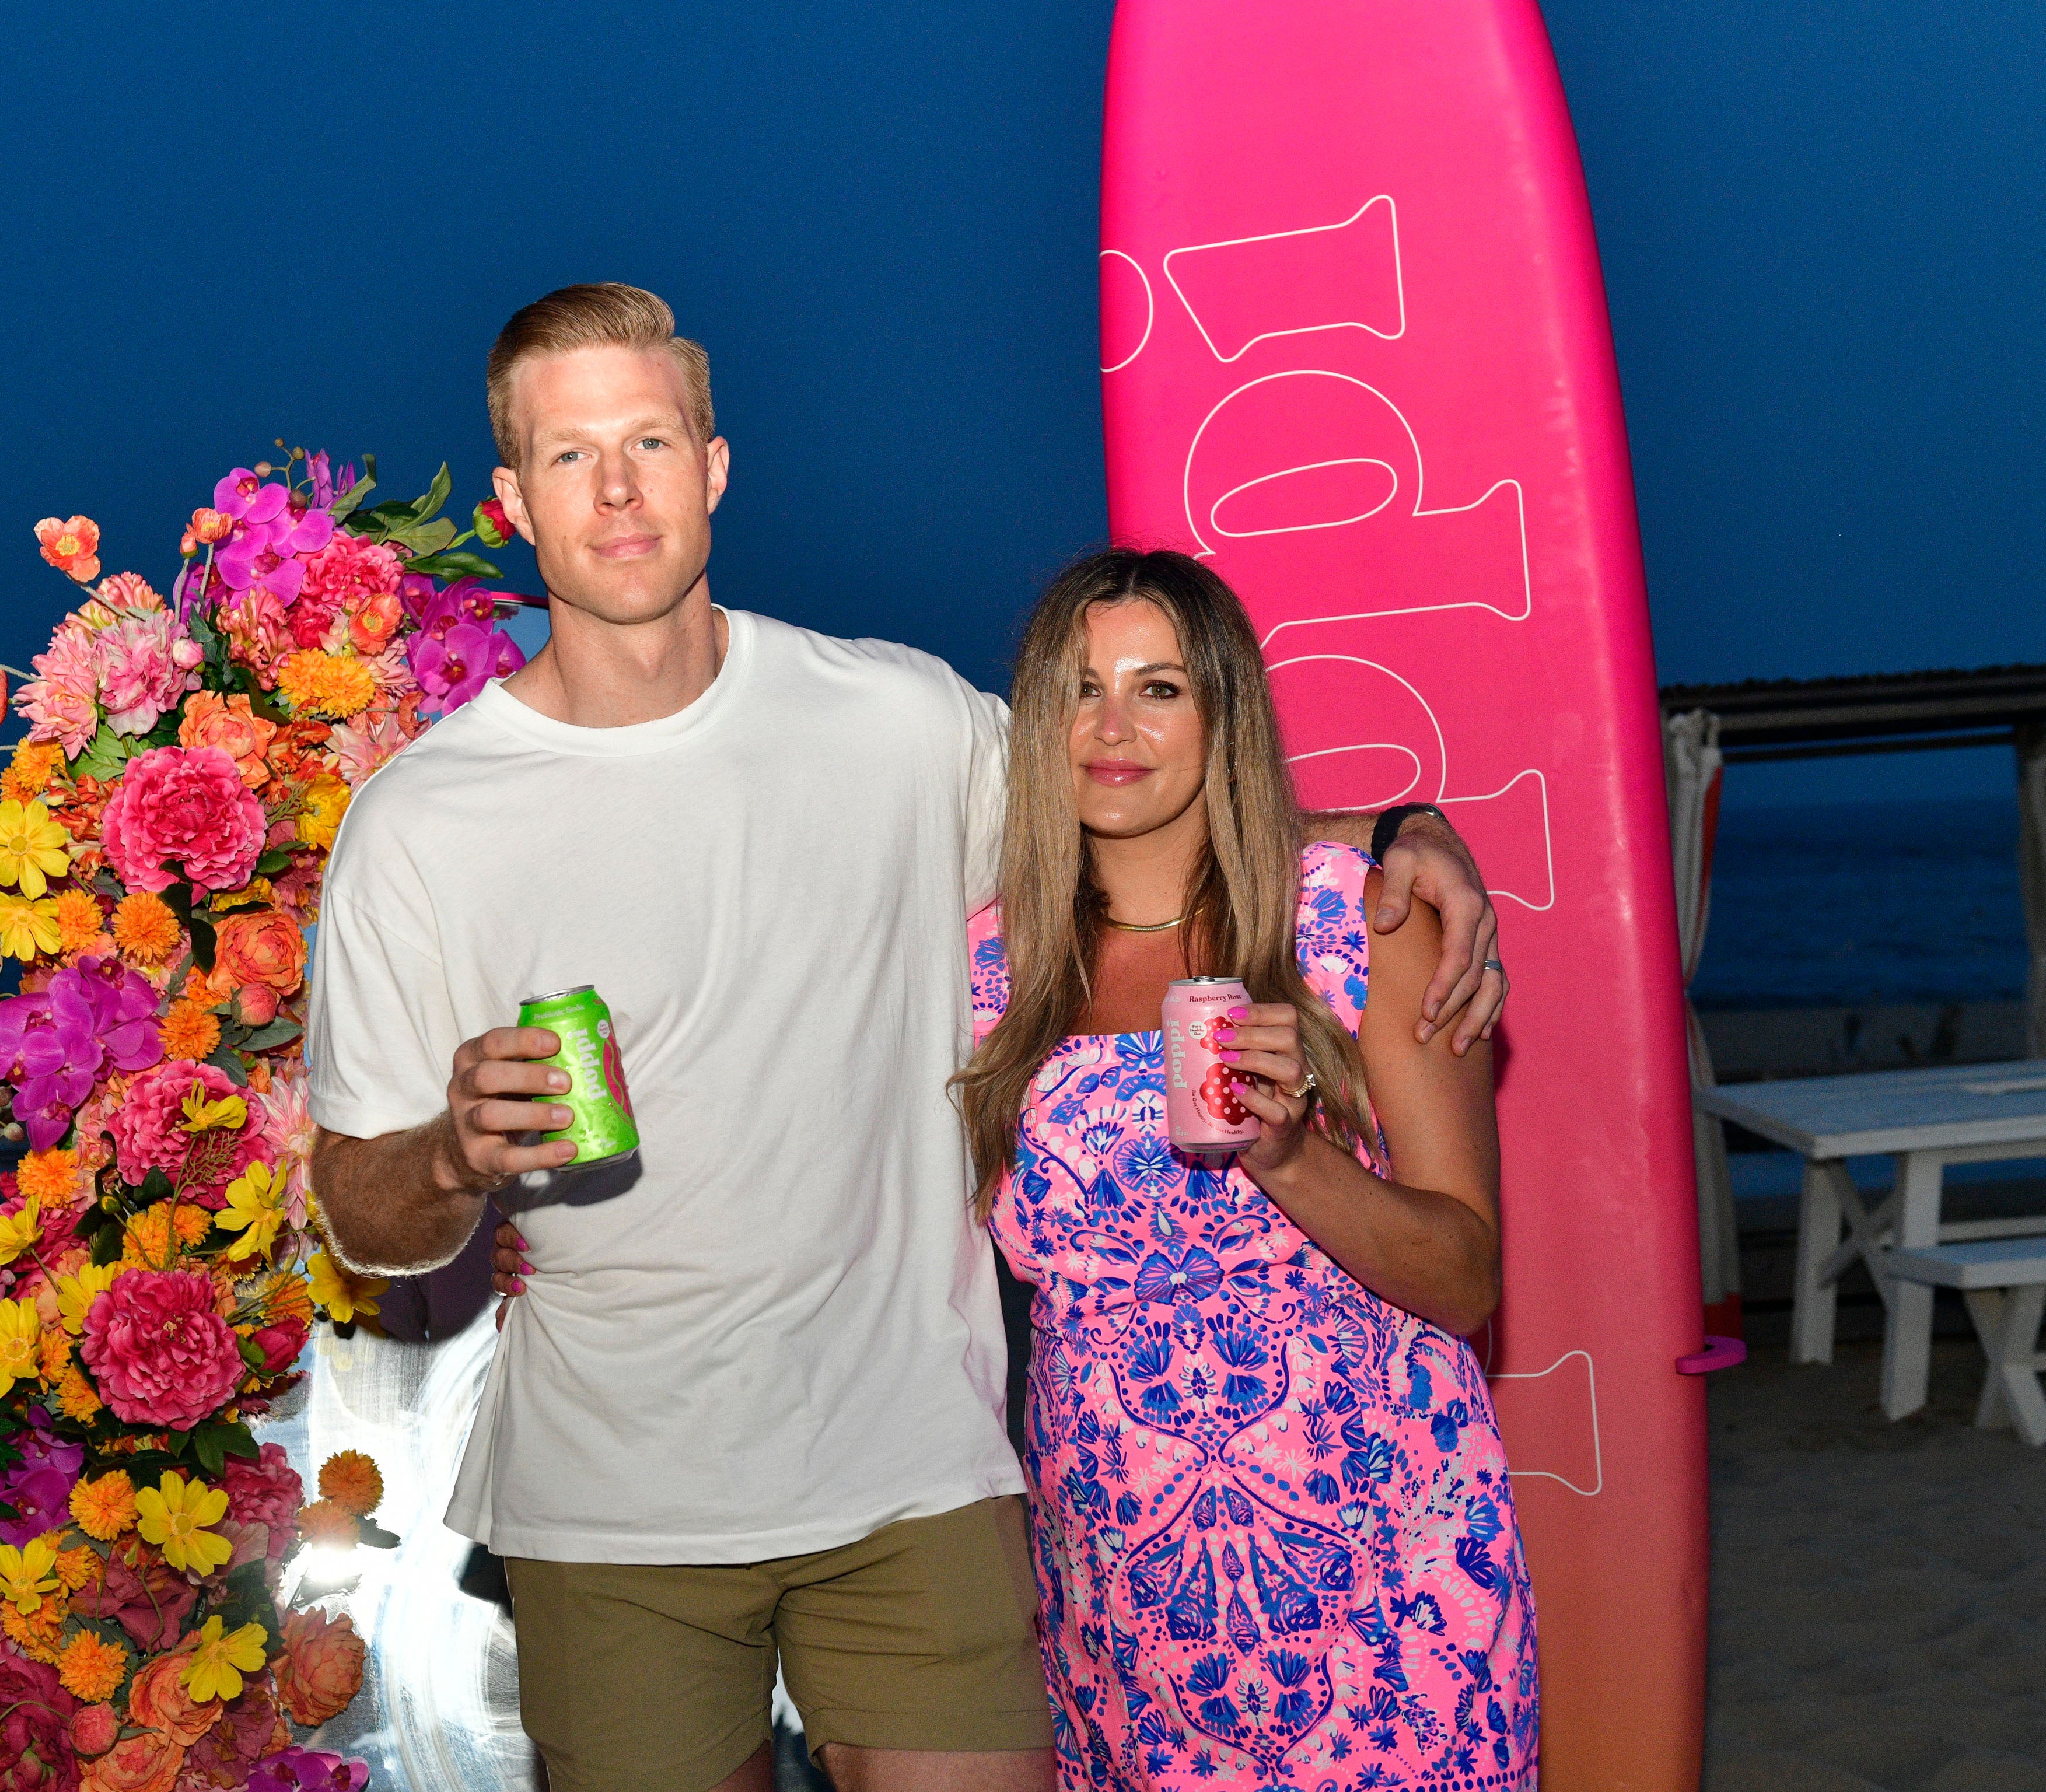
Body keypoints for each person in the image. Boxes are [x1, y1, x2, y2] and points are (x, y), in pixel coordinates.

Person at [312, 283, 1509, 1792]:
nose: (617, 492)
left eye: (651, 442)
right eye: (569, 457)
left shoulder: (891, 720)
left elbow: (1142, 797)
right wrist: (450, 1151)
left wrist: (1407, 832)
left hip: (913, 1481)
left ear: (716, 465)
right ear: (510, 500)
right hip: (612, 1503)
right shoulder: (423, 820)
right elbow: (362, 1207)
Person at [956, 548, 1536, 1789]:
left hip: (1382, 1592)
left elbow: (1463, 1277)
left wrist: (1284, 1154)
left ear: (1221, 715)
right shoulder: (982, 971)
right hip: (1121, 1600)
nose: (1111, 727)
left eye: (1157, 689)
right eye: (1077, 688)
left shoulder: (1355, 919)